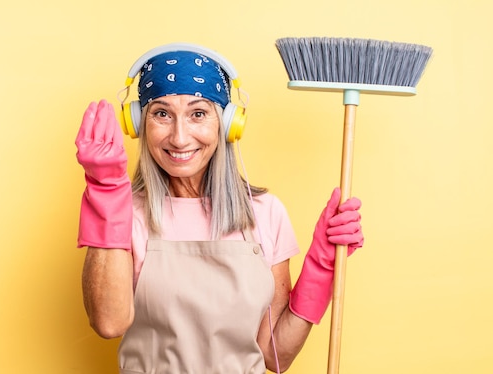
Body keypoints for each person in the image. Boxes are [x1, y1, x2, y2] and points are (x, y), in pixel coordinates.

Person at [75, 43, 364, 373]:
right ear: (139, 122)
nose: (180, 138)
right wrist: (106, 193)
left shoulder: (265, 213)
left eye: (198, 114)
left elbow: (275, 355)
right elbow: (109, 323)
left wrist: (321, 267)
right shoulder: (123, 215)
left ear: (228, 122)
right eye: (161, 114)